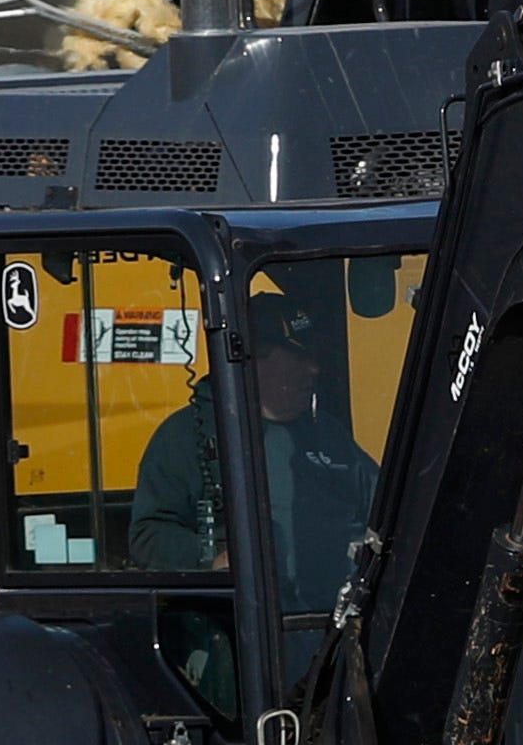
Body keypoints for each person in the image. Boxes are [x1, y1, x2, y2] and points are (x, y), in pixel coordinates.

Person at [127, 284, 383, 669]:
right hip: (244, 645)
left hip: (334, 636)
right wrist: (213, 560)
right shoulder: (186, 435)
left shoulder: (328, 435)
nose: (313, 369)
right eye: (299, 357)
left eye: (313, 357)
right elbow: (147, 534)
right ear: (255, 359)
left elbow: (382, 506)